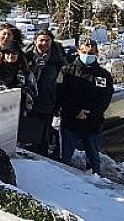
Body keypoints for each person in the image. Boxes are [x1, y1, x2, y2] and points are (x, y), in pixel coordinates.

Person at [58, 39, 113, 175]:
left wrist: (90, 112)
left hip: (92, 122)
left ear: (96, 53)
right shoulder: (67, 71)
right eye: (84, 52)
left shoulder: (103, 75)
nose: (87, 55)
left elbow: (105, 98)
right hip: (71, 120)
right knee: (64, 157)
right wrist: (76, 111)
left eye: (91, 53)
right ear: (78, 51)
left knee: (94, 158)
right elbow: (61, 94)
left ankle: (95, 182)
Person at [0, 41, 38, 147]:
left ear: (19, 55)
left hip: (19, 111)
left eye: (14, 53)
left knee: (17, 141)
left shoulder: (26, 72)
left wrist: (21, 93)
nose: (10, 56)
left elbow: (34, 91)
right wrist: (0, 95)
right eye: (7, 53)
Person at [24, 29, 66, 156]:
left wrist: (58, 103)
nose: (44, 43)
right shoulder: (26, 57)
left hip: (47, 102)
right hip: (28, 101)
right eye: (41, 40)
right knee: (28, 134)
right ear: (35, 41)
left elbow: (62, 84)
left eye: (47, 40)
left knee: (44, 135)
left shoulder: (57, 60)